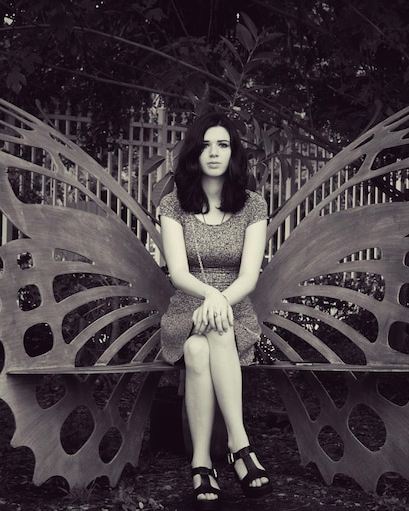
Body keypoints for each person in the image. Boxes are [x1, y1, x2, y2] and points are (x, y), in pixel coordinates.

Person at [159, 111, 273, 510]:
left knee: (199, 349)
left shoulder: (253, 206)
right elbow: (177, 274)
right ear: (194, 152)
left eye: (222, 144)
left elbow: (249, 277)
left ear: (233, 153)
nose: (214, 152)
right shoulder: (173, 206)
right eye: (205, 144)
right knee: (207, 331)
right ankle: (241, 448)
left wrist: (222, 300)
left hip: (234, 307)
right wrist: (211, 296)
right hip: (188, 306)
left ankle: (202, 462)